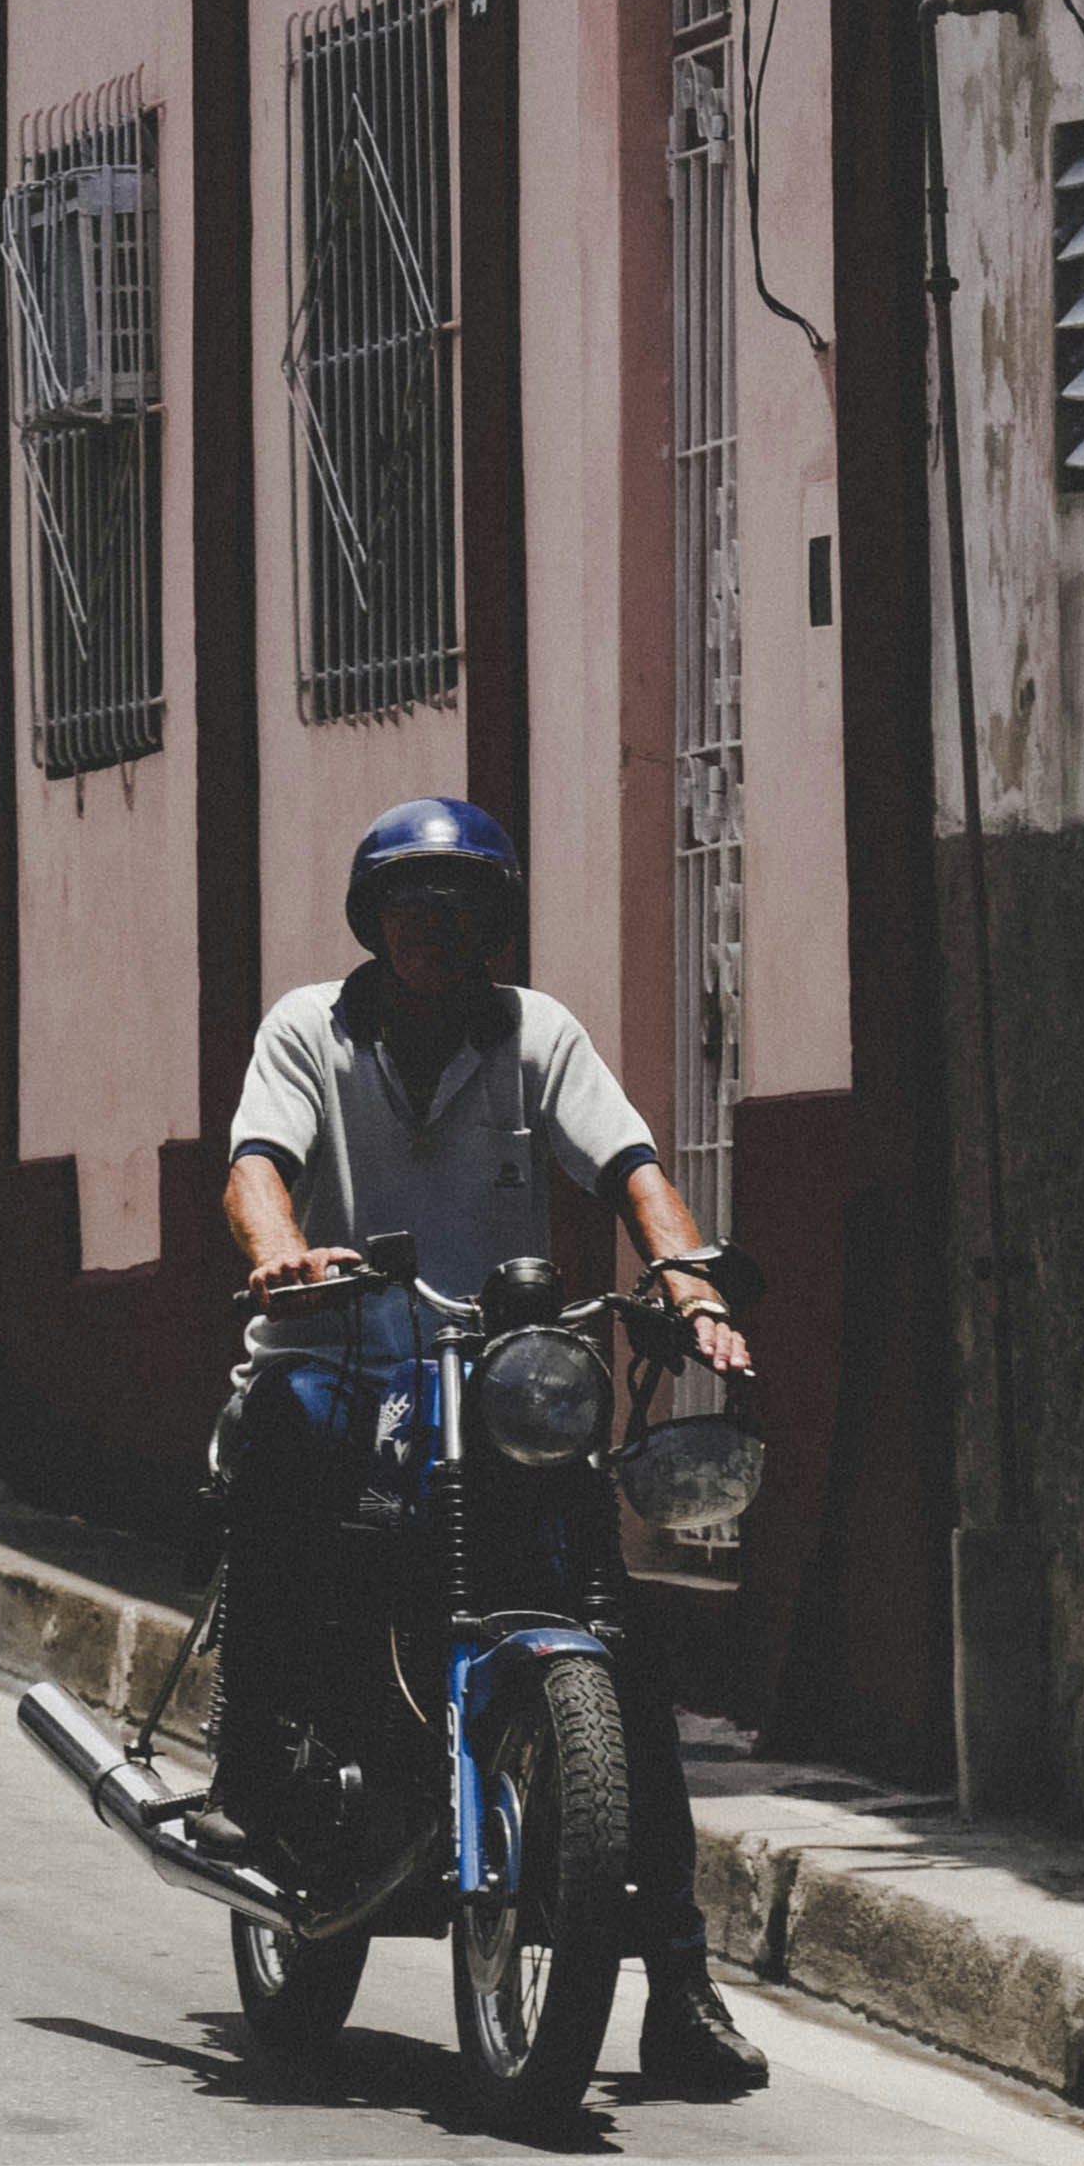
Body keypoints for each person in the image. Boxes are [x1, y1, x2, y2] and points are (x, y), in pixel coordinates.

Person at [220, 796, 769, 2094]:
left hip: (503, 1377)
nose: (434, 928)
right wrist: (281, 1257)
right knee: (290, 1493)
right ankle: (266, 1752)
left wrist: (688, 1283)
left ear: (488, 925)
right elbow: (255, 1165)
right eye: (411, 905)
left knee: (619, 1649)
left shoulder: (537, 1037)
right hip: (337, 1361)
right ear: (375, 920)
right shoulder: (310, 1029)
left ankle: (679, 1982)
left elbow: (632, 1163)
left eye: (459, 908)